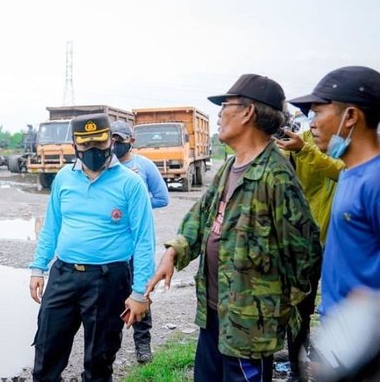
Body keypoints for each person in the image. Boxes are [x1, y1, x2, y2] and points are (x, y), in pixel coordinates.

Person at [145, 74, 322, 382]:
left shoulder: (276, 175)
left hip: (250, 328)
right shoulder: (230, 166)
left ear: (247, 112)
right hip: (215, 314)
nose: (218, 114)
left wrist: (274, 307)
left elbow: (305, 252)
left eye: (225, 105)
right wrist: (174, 252)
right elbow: (200, 217)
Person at [29, 113, 155, 381]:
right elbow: (52, 226)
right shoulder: (64, 178)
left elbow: (145, 240)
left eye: (98, 144)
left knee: (99, 361)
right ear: (75, 146)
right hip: (63, 275)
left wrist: (139, 293)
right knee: (46, 354)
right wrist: (38, 267)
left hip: (108, 280)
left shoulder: (131, 184)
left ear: (110, 140)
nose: (93, 151)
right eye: (85, 146)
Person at [288, 66, 380, 319]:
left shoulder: (374, 181)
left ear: (350, 116)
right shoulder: (349, 173)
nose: (312, 124)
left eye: (317, 112)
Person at [275, 116, 344, 381]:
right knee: (298, 311)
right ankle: (297, 369)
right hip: (303, 244)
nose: (314, 123)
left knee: (336, 309)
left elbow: (339, 169)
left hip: (336, 244)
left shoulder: (342, 146)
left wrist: (303, 150)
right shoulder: (299, 141)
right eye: (311, 115)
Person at [110, 120, 169, 363]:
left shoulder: (143, 165)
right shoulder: (106, 168)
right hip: (114, 245)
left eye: (119, 140)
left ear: (131, 141)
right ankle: (109, 346)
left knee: (140, 292)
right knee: (112, 294)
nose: (114, 145)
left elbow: (162, 198)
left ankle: (142, 345)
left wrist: (139, 202)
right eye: (111, 140)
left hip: (138, 244)